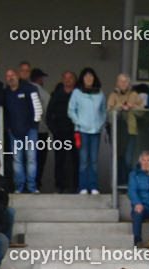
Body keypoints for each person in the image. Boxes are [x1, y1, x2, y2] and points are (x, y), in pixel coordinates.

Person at [68, 67, 107, 195]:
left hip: (95, 131)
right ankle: (83, 187)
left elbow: (104, 111)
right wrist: (78, 122)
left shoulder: (99, 93)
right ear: (82, 79)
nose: (89, 79)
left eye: (91, 76)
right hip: (82, 131)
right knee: (84, 160)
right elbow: (71, 111)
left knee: (94, 160)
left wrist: (100, 123)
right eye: (86, 77)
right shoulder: (77, 93)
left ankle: (93, 186)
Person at [4, 69, 42, 194]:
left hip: (30, 130)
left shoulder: (29, 88)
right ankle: (19, 187)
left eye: (12, 75)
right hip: (14, 132)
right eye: (8, 76)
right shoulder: (6, 92)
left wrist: (34, 125)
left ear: (18, 76)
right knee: (17, 160)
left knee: (31, 158)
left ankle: (31, 187)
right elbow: (3, 112)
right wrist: (8, 127)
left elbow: (38, 108)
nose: (10, 78)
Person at [105, 73, 143, 185]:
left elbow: (143, 111)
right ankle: (117, 186)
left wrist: (132, 107)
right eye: (121, 81)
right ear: (117, 83)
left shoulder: (135, 95)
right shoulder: (113, 96)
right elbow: (109, 113)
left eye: (126, 81)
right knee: (118, 159)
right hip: (117, 132)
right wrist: (120, 107)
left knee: (128, 160)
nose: (123, 83)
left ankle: (128, 185)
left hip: (131, 131)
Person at [48, 71, 79, 193]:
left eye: (70, 78)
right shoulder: (56, 95)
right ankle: (60, 187)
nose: (67, 80)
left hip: (74, 132)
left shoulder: (78, 95)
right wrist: (54, 130)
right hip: (60, 132)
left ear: (74, 80)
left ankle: (76, 187)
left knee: (76, 160)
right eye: (65, 78)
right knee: (59, 160)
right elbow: (49, 114)